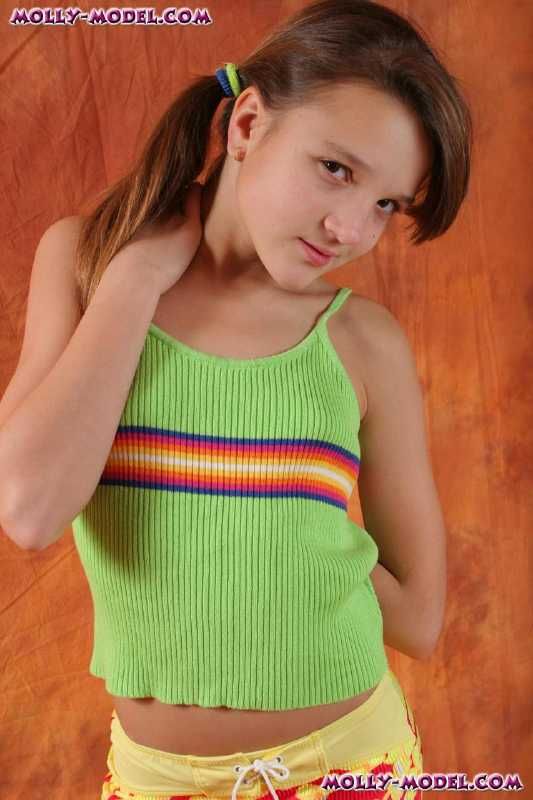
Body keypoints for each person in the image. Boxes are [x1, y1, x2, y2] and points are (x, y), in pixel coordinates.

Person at [0, 1, 472, 798]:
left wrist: (279, 526)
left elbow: (419, 620)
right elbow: (29, 510)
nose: (349, 228)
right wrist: (137, 279)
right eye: (336, 169)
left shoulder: (364, 341)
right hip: (154, 780)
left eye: (386, 204)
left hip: (348, 767)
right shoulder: (87, 262)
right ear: (247, 124)